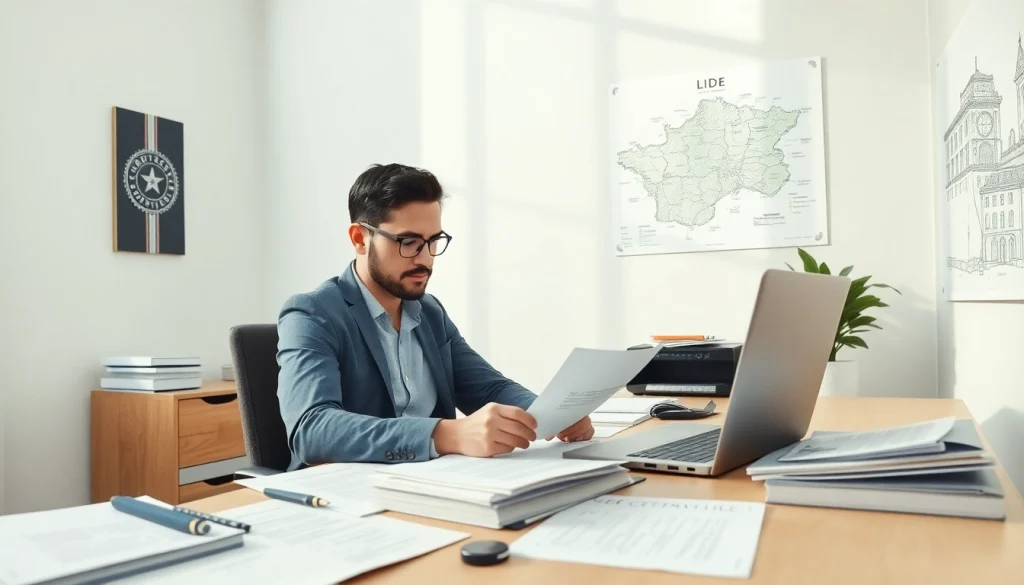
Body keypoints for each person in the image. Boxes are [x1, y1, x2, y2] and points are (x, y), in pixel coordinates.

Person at [276, 163, 594, 469]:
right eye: (409, 242)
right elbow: (311, 430)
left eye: (433, 241)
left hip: (433, 482)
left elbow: (488, 389)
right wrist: (445, 434)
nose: (425, 259)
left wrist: (548, 413)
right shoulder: (311, 314)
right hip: (343, 494)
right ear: (360, 238)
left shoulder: (428, 312)